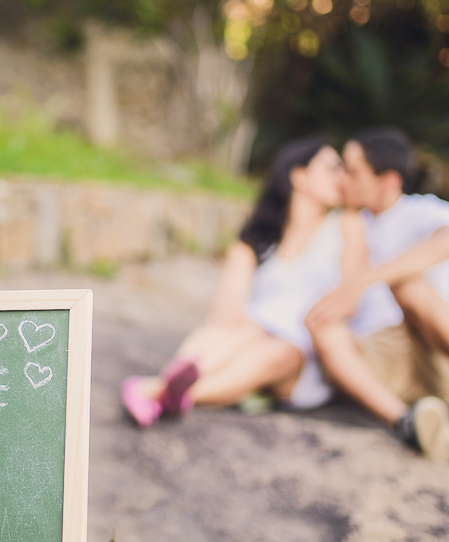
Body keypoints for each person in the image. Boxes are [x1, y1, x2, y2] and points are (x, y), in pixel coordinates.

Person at [305, 127, 449, 463]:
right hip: (375, 364)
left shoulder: (426, 212)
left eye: (352, 170)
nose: (342, 178)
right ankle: (407, 422)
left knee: (410, 288)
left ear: (388, 181)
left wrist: (365, 279)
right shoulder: (348, 223)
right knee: (321, 325)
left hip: (431, 354)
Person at [121, 135, 364, 427]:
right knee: (236, 326)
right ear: (298, 176)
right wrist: (233, 308)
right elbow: (230, 297)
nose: (342, 176)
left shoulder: (347, 226)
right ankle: (174, 388)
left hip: (305, 352)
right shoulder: (257, 243)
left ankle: (153, 390)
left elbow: (350, 294)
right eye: (332, 167)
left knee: (278, 347)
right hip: (250, 337)